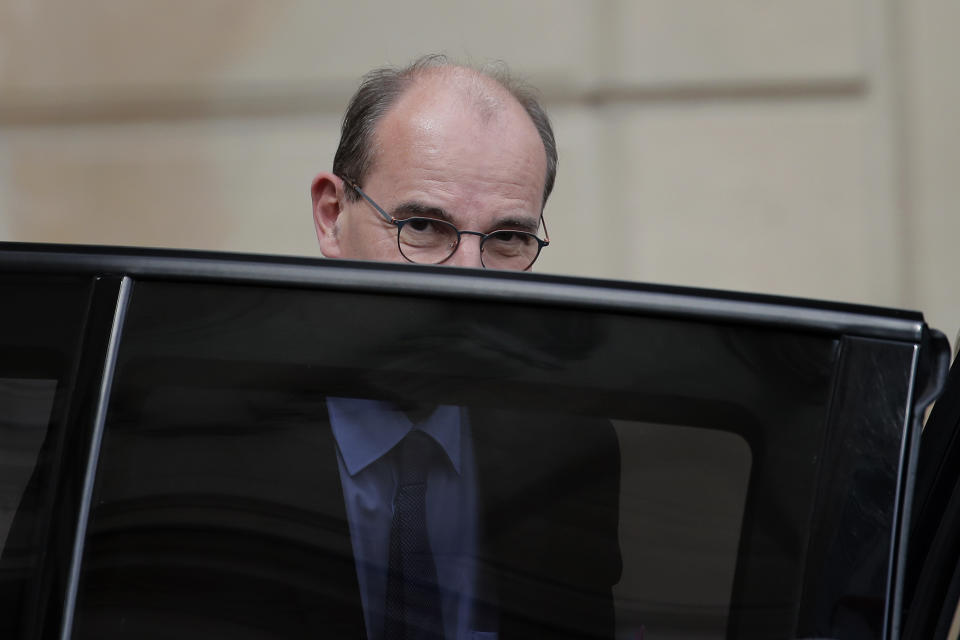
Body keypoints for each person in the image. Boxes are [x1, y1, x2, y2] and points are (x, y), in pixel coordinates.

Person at [305, 56, 621, 640]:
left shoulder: (568, 448)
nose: (469, 281)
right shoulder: (192, 438)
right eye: (422, 227)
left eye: (507, 238)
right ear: (331, 217)